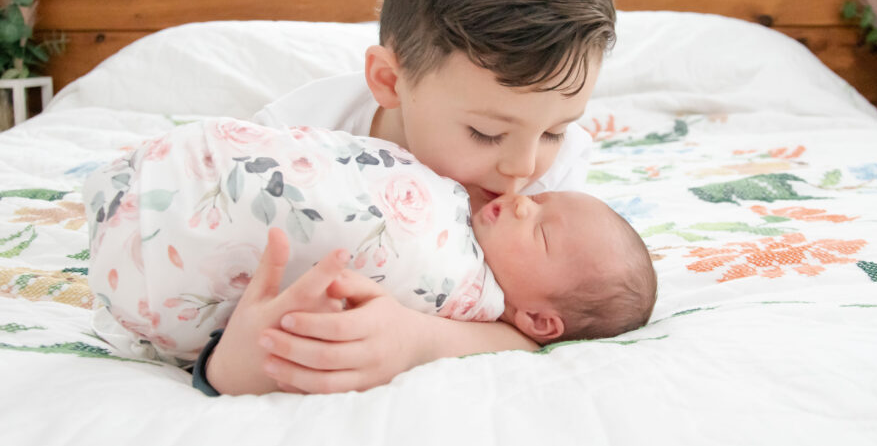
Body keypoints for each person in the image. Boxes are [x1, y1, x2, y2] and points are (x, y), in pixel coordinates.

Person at [210, 0, 620, 395]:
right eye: (487, 132)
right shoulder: (291, 142)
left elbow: (547, 324)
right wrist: (226, 364)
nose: (523, 169)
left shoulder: (553, 188)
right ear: (389, 81)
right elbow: (208, 276)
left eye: (554, 131)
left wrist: (418, 341)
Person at [84, 119, 656, 368]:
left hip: (161, 272)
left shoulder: (472, 296)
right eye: (485, 130)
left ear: (541, 318)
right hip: (179, 176)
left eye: (542, 229)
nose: (526, 191)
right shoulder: (335, 110)